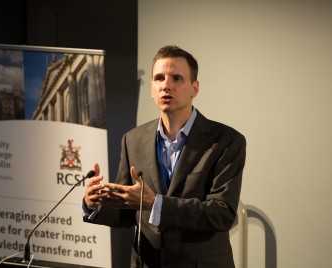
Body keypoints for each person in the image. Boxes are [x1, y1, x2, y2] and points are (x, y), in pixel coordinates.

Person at [83, 45, 246, 268]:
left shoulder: (226, 141)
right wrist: (95, 205)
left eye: (177, 78)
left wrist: (155, 203)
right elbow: (126, 213)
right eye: (159, 78)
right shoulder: (132, 139)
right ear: (151, 88)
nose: (166, 85)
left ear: (194, 88)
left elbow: (221, 213)